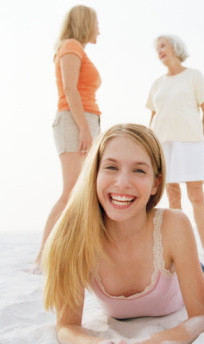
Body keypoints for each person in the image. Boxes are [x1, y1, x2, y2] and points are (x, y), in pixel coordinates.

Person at [42, 124, 204, 344]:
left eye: (139, 170)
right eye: (111, 167)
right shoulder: (74, 235)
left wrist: (163, 339)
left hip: (179, 272)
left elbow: (201, 317)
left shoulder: (175, 225)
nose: (122, 183)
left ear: (155, 183)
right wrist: (97, 342)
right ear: (95, 174)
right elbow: (67, 326)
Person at [34, 5, 102, 271]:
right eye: (96, 24)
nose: (99, 30)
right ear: (85, 22)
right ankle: (42, 257)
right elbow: (70, 89)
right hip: (75, 122)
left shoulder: (78, 49)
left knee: (83, 192)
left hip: (85, 121)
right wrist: (84, 128)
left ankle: (74, 253)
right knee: (72, 191)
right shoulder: (71, 45)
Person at [146, 35, 204, 260]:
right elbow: (153, 117)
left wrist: (203, 142)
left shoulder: (194, 76)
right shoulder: (157, 83)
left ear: (175, 47)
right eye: (157, 49)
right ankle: (185, 249)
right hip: (163, 144)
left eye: (163, 46)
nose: (159, 51)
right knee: (173, 197)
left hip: (190, 141)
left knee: (196, 196)